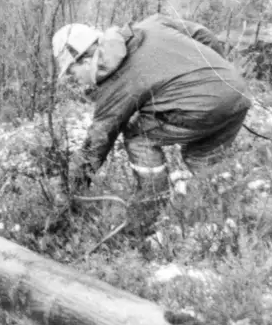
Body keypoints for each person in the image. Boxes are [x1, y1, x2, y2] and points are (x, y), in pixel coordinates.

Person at [52, 13, 253, 236]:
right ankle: (225, 218)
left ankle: (151, 207)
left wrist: (72, 187)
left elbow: (99, 139)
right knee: (200, 157)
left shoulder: (115, 84)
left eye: (72, 73)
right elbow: (204, 36)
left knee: (138, 137)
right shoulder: (153, 24)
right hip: (236, 93)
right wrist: (215, 76)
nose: (76, 81)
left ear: (86, 60)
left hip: (204, 106)